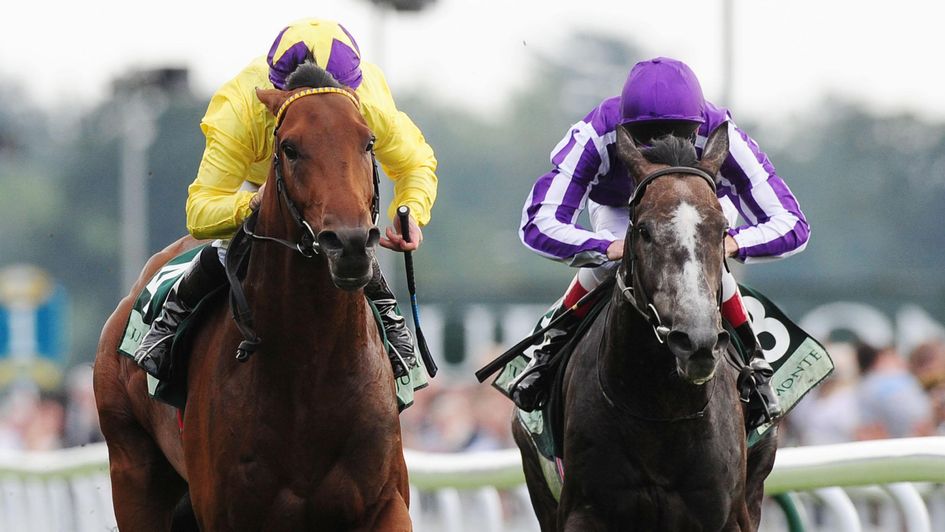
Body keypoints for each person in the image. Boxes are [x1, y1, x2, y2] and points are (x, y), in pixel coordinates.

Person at [511, 57, 810, 428]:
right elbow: (538, 221)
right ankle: (549, 349)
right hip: (620, 209)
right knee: (610, 263)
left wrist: (729, 245)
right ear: (624, 129)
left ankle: (754, 359)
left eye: (677, 133)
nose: (663, 143)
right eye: (648, 135)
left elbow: (792, 224)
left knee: (705, 255)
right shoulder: (594, 134)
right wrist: (607, 248)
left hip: (698, 208)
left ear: (699, 127)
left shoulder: (723, 133)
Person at [134, 18, 438, 381]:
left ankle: (390, 319)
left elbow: (415, 163)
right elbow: (200, 210)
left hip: (337, 193)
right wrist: (254, 203)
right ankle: (171, 320)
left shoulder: (366, 103)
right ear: (275, 98)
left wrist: (410, 212)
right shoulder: (241, 106)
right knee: (231, 241)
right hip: (272, 189)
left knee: (353, 234)